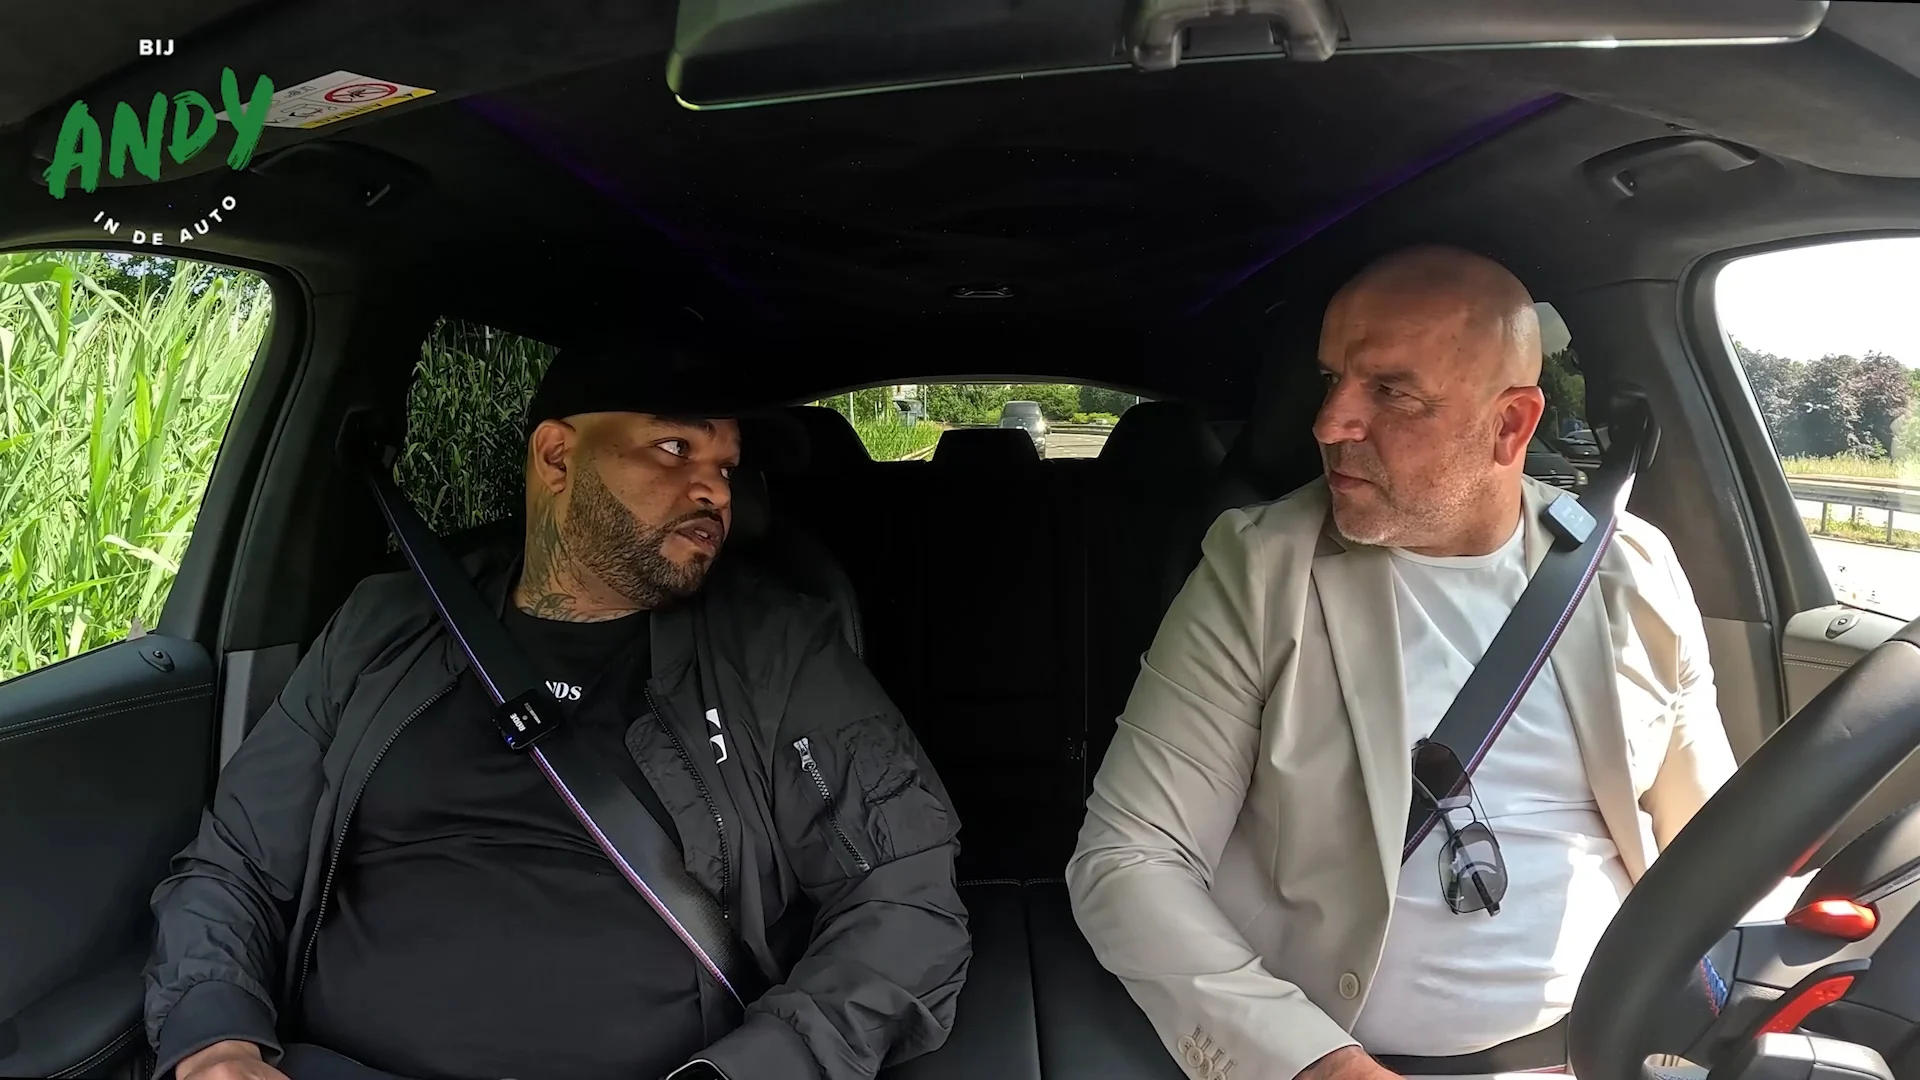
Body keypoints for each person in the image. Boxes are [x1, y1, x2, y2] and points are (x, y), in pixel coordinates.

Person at [143, 332, 970, 1080]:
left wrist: (755, 1069)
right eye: (675, 447)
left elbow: (907, 903)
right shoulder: (386, 627)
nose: (713, 491)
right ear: (556, 456)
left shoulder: (779, 650)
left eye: (725, 466)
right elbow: (235, 864)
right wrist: (217, 1040)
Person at [1066, 245, 1799, 1080]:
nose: (1329, 422)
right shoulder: (1262, 568)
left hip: (1623, 1045)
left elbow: (1707, 842)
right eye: (1331, 379)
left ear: (1510, 425)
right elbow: (1129, 859)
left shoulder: (1631, 568)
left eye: (1390, 392)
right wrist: (1317, 1065)